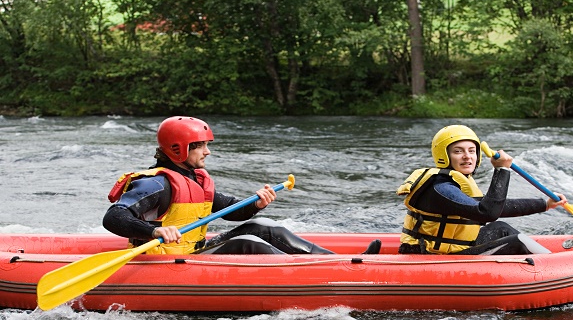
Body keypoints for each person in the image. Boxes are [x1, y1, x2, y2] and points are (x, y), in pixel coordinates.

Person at [103, 116, 381, 255]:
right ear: (178, 149)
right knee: (248, 243)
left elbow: (229, 209)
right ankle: (318, 275)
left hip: (193, 252)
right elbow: (114, 217)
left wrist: (255, 204)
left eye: (206, 145)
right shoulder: (157, 183)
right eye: (199, 146)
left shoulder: (195, 179)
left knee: (264, 228)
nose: (207, 152)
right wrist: (154, 230)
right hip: (164, 263)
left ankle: (339, 263)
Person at [396, 124, 568, 255]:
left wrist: (544, 204)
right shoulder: (441, 188)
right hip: (430, 257)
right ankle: (556, 269)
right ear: (443, 155)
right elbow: (488, 212)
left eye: (472, 151)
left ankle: (552, 262)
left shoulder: (454, 184)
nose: (467, 156)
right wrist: (502, 170)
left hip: (450, 250)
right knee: (517, 241)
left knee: (501, 228)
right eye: (458, 151)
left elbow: (498, 207)